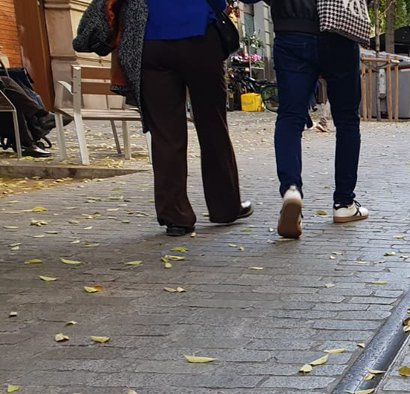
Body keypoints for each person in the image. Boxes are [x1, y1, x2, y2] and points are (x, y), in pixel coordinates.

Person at [74, 0, 251, 237]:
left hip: (150, 42)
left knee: (166, 134)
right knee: (213, 127)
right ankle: (225, 207)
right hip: (199, 36)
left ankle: (175, 216)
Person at [244, 0, 368, 239]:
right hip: (339, 31)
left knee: (290, 116)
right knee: (347, 121)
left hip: (292, 30)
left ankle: (291, 189)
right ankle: (344, 203)